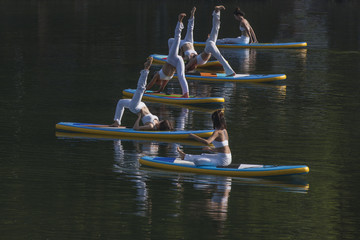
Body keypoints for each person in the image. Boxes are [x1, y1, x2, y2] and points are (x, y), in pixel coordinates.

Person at [110, 57, 173, 131]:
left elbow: (136, 128)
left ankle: (146, 69)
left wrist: (139, 117)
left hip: (136, 108)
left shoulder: (151, 126)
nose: (161, 120)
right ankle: (117, 122)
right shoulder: (157, 120)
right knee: (121, 102)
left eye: (162, 121)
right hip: (141, 105)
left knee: (141, 89)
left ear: (161, 124)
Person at [146, 13, 190, 98]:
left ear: (156, 80)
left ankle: (179, 21)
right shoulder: (165, 79)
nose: (158, 84)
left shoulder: (157, 75)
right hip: (177, 61)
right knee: (181, 76)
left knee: (176, 40)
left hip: (171, 59)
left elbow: (150, 84)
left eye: (157, 83)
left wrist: (143, 91)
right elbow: (160, 90)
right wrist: (157, 91)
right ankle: (186, 93)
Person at [185, 6, 236, 77]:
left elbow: (186, 68)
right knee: (216, 28)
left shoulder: (191, 61)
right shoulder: (195, 61)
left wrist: (181, 71)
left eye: (192, 68)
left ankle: (230, 72)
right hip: (210, 45)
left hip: (209, 46)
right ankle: (217, 12)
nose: (194, 68)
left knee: (220, 57)